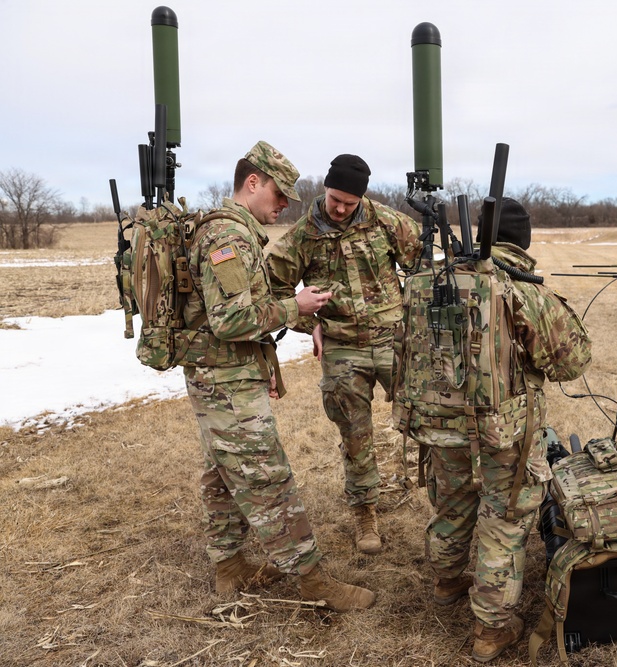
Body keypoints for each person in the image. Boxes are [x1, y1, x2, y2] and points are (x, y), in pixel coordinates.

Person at [183, 140, 374, 611]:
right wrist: (297, 306)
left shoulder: (235, 232)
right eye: (279, 194)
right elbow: (229, 320)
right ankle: (314, 583)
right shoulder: (227, 237)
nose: (285, 204)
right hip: (225, 383)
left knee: (223, 473)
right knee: (268, 478)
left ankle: (229, 567)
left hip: (224, 375)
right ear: (253, 183)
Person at [402, 197, 592, 662]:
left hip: (439, 426)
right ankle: (492, 630)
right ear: (522, 240)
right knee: (504, 523)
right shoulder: (520, 289)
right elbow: (572, 361)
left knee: (450, 504)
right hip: (504, 434)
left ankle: (447, 583)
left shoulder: (433, 279)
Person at [267, 154, 423, 555]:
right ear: (325, 189)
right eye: (335, 199)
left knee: (429, 416)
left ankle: (444, 500)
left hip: (394, 340)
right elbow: (273, 289)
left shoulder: (389, 222)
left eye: (349, 203)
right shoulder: (303, 236)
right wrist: (308, 323)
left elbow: (425, 269)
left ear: (362, 199)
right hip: (341, 346)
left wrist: (418, 320)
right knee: (355, 434)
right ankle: (365, 512)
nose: (340, 208)